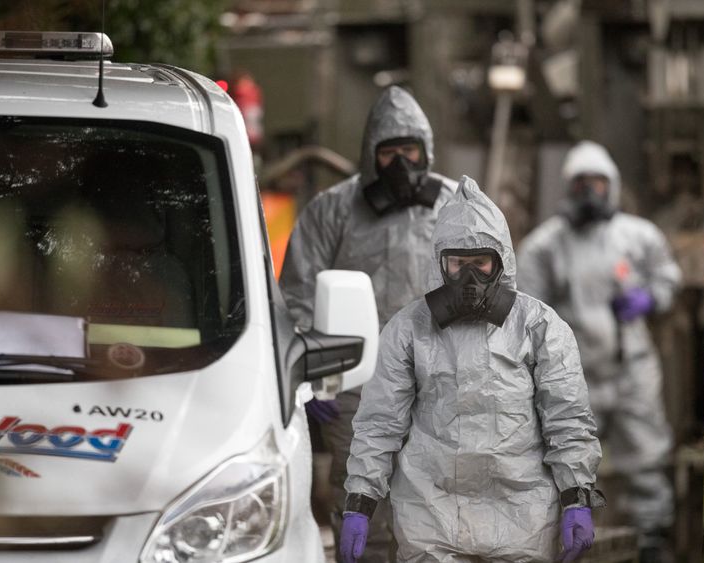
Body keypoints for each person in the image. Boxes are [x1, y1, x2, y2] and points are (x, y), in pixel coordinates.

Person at [341, 175, 604, 563]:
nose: (470, 278)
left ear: (501, 261)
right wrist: (359, 503)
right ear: (440, 263)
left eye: (481, 263)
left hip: (523, 515)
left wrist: (577, 496)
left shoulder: (539, 326)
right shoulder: (409, 329)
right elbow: (380, 424)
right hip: (430, 516)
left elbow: (567, 420)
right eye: (458, 264)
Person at [279, 85, 458, 562]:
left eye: (410, 151)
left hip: (442, 381)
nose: (400, 163)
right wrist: (312, 377)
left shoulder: (457, 205)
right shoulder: (333, 210)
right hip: (356, 383)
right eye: (389, 152)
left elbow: (493, 284)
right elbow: (296, 294)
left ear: (427, 151)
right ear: (369, 155)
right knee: (365, 504)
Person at [516, 141, 682, 562]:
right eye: (581, 183)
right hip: (574, 375)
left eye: (599, 182)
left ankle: (651, 542)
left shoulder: (638, 235)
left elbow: (668, 276)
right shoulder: (544, 246)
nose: (591, 190)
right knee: (561, 460)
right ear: (567, 188)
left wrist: (650, 298)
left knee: (646, 459)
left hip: (632, 369)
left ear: (613, 185)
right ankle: (557, 542)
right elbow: (525, 308)